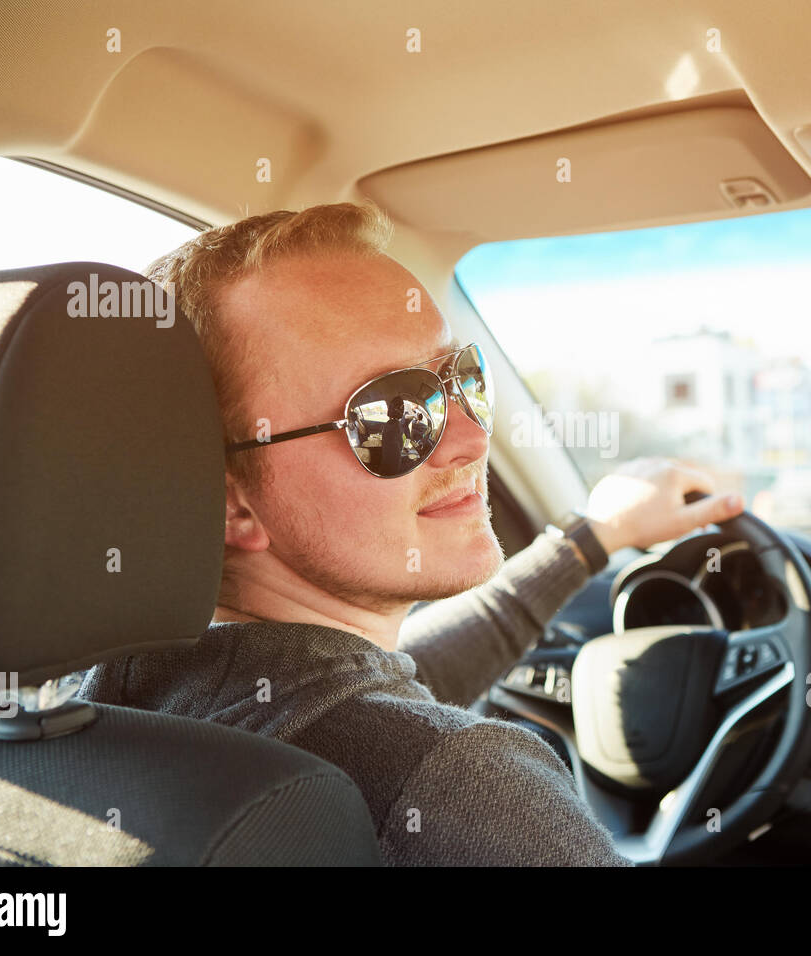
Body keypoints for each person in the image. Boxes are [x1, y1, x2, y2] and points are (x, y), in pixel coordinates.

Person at [79, 201, 744, 866]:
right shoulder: (464, 786)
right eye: (392, 412)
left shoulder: (83, 708)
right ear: (232, 504)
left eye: (462, 377)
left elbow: (360, 685)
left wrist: (595, 537)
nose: (473, 436)